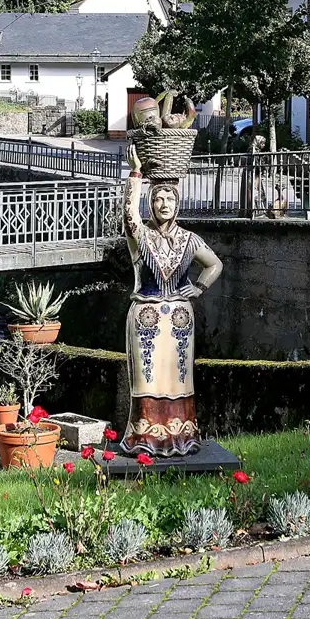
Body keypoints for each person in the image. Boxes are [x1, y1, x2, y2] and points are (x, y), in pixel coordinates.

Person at [120, 145, 223, 457]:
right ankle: (146, 435)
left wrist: (200, 287)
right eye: (158, 199)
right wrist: (136, 173)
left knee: (179, 377)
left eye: (170, 199)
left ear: (178, 204)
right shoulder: (141, 237)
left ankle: (182, 435)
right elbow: (128, 215)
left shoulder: (190, 240)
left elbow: (215, 264)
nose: (164, 205)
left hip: (179, 316)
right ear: (150, 203)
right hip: (146, 316)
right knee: (147, 376)